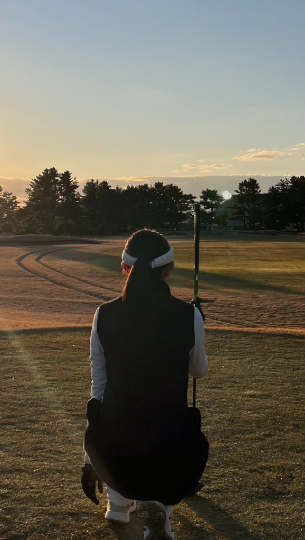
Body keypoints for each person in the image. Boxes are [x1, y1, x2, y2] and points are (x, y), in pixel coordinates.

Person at [81, 229, 208, 538]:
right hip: (169, 436)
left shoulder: (103, 314)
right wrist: (197, 324)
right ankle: (159, 510)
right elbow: (198, 371)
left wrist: (89, 457)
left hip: (118, 438)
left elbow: (99, 385)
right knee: (172, 431)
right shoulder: (189, 315)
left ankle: (118, 506)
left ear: (125, 267)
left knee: (114, 421)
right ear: (169, 268)